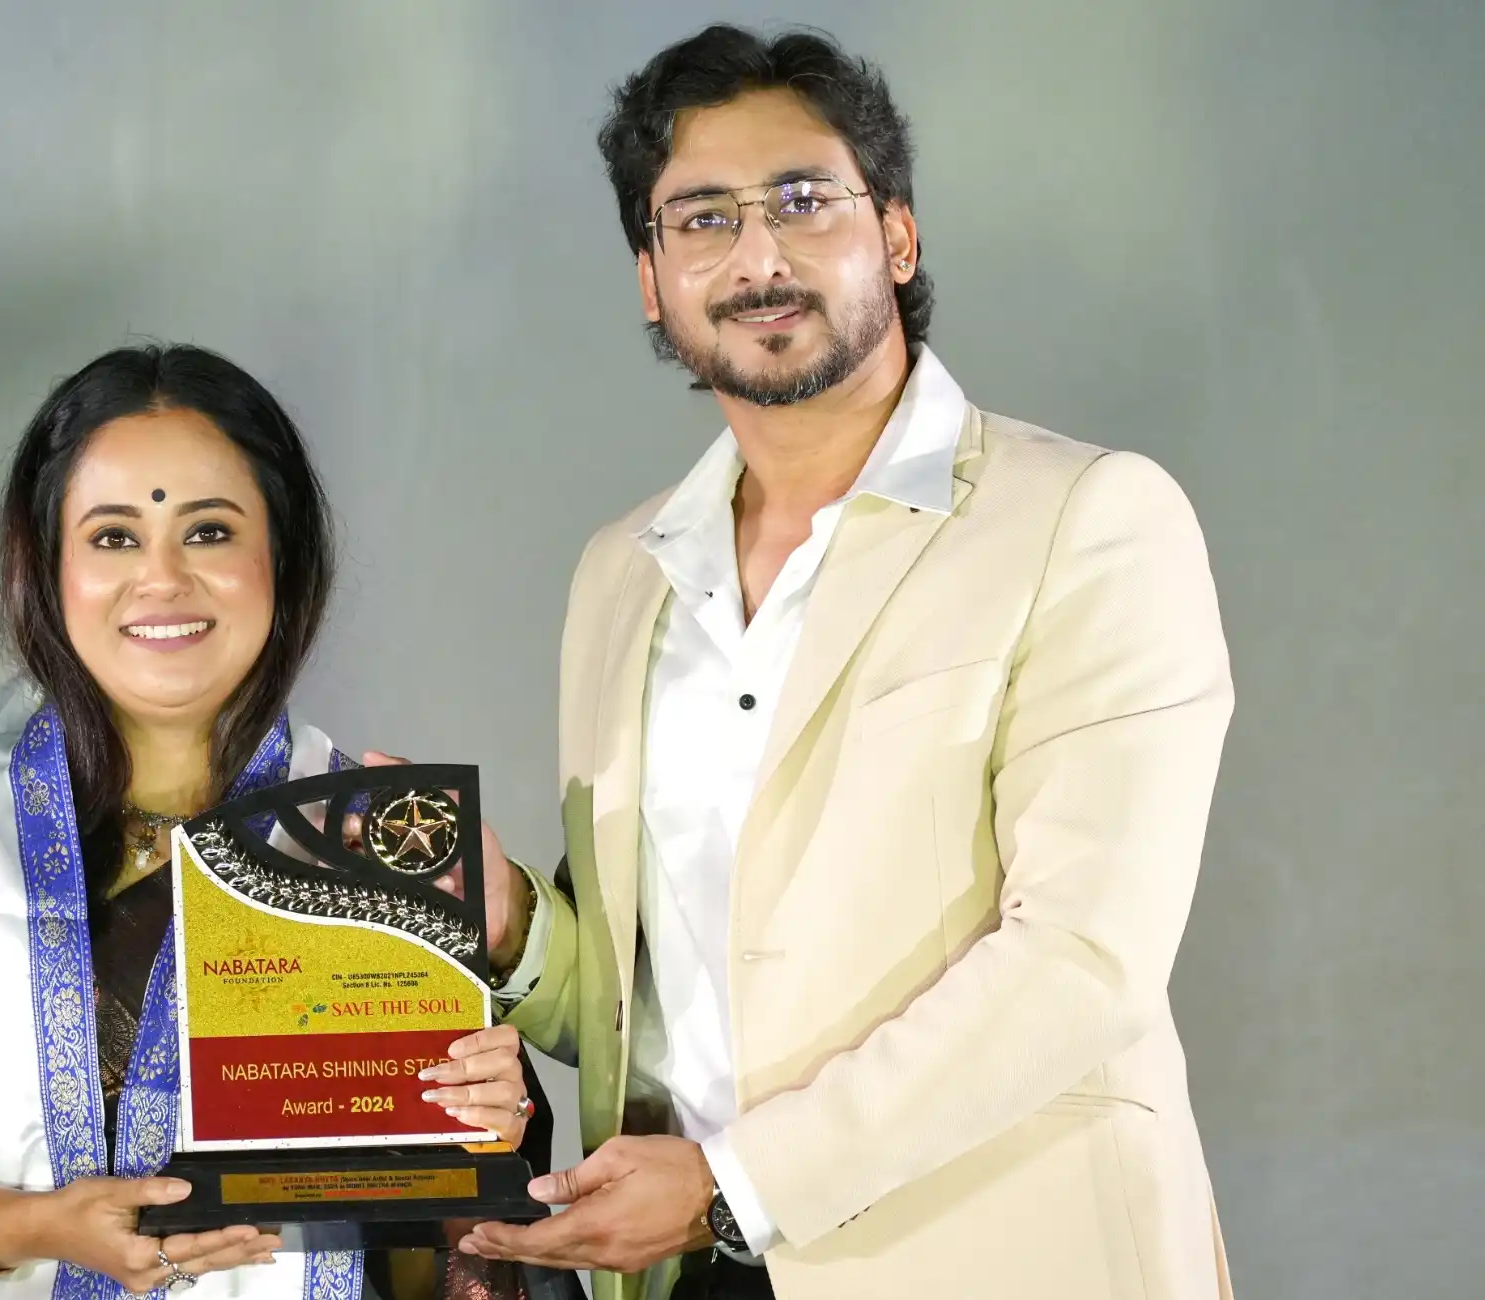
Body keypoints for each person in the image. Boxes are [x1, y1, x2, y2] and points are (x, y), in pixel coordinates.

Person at [451, 24, 1237, 1300]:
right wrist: (513, 928)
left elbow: (1079, 961)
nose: (756, 255)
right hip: (685, 1272)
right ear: (650, 279)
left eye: (803, 200)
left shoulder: (1085, 519)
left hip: (1000, 1261)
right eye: (701, 218)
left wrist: (731, 1184)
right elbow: (663, 1004)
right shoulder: (621, 575)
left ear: (898, 235)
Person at [0, 344, 555, 1300]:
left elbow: (432, 1269)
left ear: (281, 560)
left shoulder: (379, 847)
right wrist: (26, 1226)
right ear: (48, 568)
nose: (161, 580)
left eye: (208, 532)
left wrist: (475, 1159)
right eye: (114, 537)